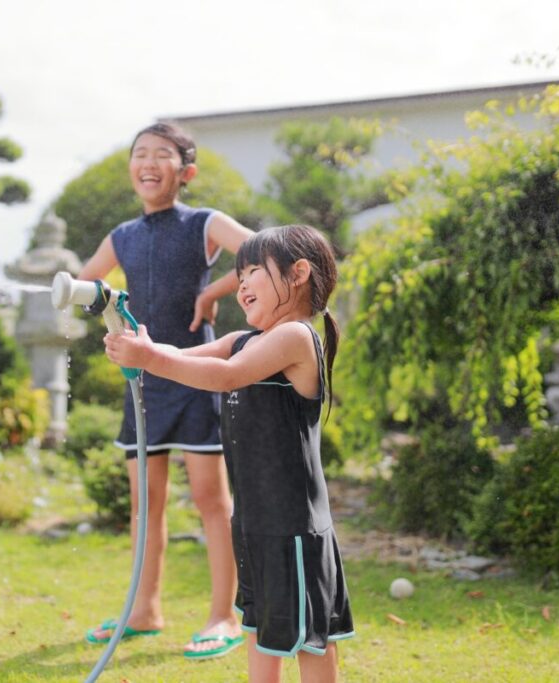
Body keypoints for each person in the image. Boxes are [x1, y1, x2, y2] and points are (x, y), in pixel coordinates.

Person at [104, 225, 354, 683]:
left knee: (307, 638)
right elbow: (187, 358)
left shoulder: (296, 337)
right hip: (255, 522)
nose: (240, 284)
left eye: (254, 270)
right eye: (239, 274)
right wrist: (138, 344)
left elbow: (225, 377)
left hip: (294, 526)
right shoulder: (244, 340)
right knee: (262, 629)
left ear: (298, 273)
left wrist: (149, 359)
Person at [79, 122, 256, 659]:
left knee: (210, 500)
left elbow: (262, 253)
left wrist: (214, 293)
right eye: (140, 154)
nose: (148, 162)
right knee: (145, 505)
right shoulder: (122, 237)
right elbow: (88, 286)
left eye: (162, 154)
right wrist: (90, 297)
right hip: (142, 386)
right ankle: (144, 610)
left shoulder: (204, 223)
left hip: (197, 379)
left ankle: (224, 615)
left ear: (186, 171)